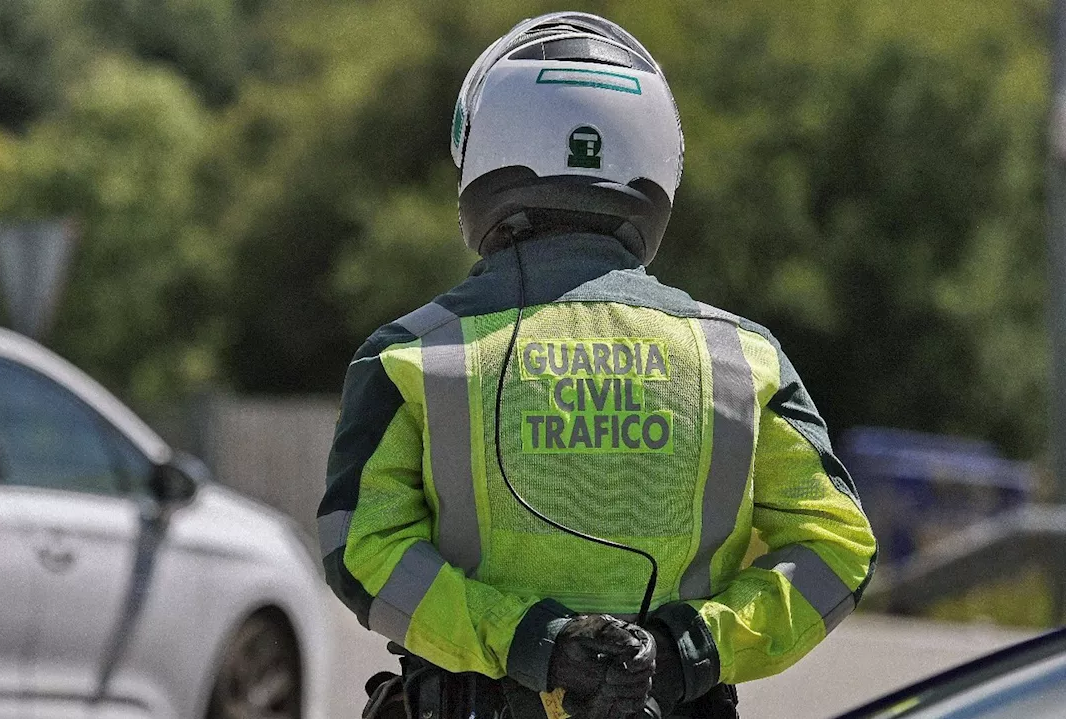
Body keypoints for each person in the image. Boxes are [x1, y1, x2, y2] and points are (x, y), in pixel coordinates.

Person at [318, 12, 877, 719]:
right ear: (658, 168)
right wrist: (684, 653)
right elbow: (838, 551)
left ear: (482, 155)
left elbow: (360, 552)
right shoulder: (744, 359)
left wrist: (539, 645)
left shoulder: (409, 355)